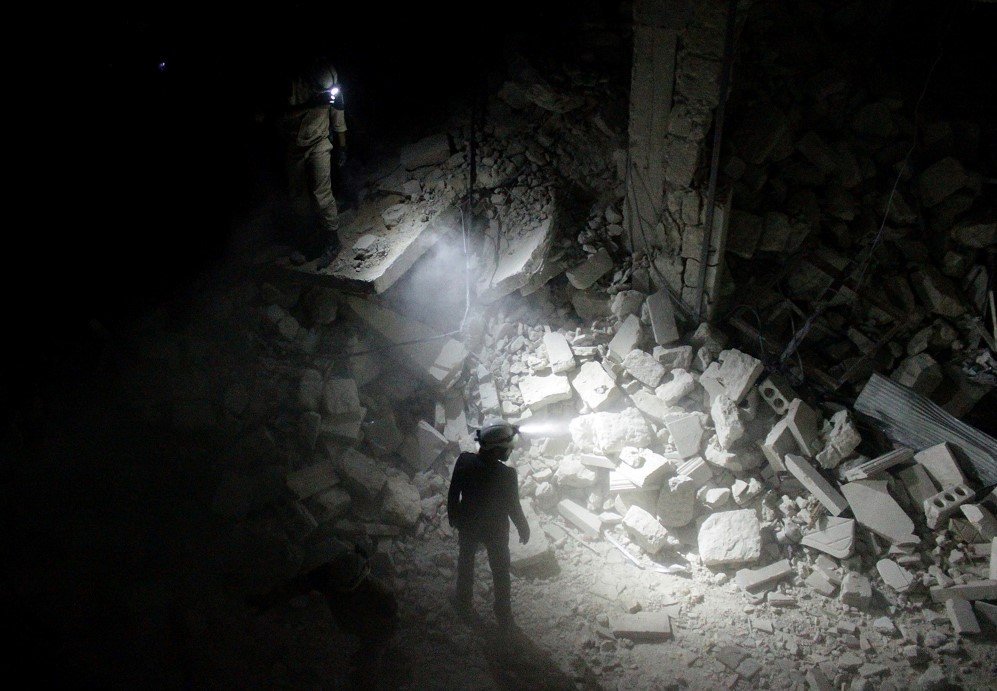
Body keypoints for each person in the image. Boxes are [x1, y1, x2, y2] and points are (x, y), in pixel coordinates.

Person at [447, 419, 530, 629]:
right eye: (507, 449)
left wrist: (453, 517)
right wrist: (523, 527)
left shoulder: (464, 461)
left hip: (469, 525)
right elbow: (513, 507)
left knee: (466, 561)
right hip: (495, 531)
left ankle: (463, 600)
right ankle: (503, 612)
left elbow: (453, 494)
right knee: (500, 571)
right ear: (496, 451)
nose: (509, 452)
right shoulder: (507, 475)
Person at [280, 57, 348, 266]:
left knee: (322, 194)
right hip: (293, 145)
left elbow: (339, 118)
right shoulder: (293, 84)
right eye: (319, 89)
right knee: (298, 197)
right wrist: (310, 105)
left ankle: (332, 240)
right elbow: (279, 116)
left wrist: (342, 147)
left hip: (319, 141)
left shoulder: (331, 83)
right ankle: (311, 238)